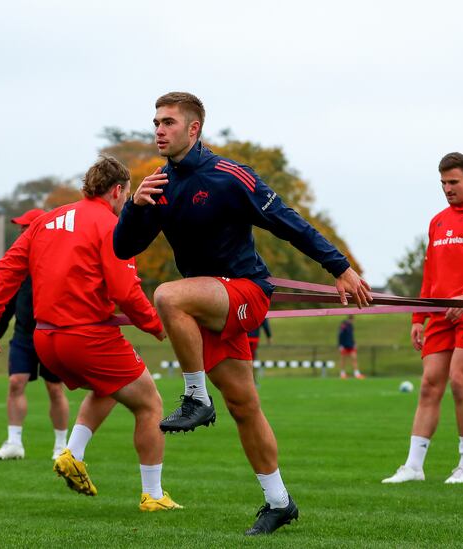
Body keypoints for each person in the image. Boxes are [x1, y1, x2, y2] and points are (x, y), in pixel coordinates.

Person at [113, 91, 372, 535]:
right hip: (207, 306)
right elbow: (123, 248)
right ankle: (279, 502)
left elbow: (290, 222)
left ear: (194, 129)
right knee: (244, 405)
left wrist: (340, 267)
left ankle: (196, 397)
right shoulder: (157, 184)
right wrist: (135, 210)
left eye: (169, 122)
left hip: (246, 290)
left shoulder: (229, 175)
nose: (159, 129)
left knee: (168, 296)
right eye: (156, 121)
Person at [0, 156, 182, 512]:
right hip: (87, 338)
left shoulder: (45, 221)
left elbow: (7, 268)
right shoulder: (112, 227)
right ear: (117, 191)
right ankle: (154, 496)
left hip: (45, 339)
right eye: (125, 196)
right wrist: (157, 326)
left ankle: (73, 453)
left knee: (111, 386)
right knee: (149, 403)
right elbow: (125, 292)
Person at [382, 152, 463, 485]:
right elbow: (430, 273)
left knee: (459, 380)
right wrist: (417, 317)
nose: (447, 189)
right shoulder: (438, 221)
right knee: (428, 385)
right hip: (439, 314)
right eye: (442, 183)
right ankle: (413, 466)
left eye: (453, 182)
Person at [0, 209, 70, 461]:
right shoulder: (20, 264)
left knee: (54, 388)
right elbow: (8, 301)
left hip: (51, 335)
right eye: (21, 228)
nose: (22, 232)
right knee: (15, 383)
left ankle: (61, 447)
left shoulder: (59, 261)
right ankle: (14, 443)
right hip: (24, 336)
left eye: (26, 227)